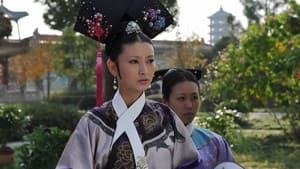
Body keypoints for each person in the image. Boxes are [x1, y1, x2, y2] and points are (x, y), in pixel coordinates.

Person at [56, 21, 207, 169]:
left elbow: (191, 164)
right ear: (113, 67)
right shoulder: (93, 124)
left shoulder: (167, 118)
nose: (144, 70)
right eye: (134, 61)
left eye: (150, 61)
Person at [161, 68, 236, 169]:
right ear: (165, 103)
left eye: (194, 98)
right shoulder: (149, 143)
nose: (189, 105)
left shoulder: (214, 143)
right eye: (181, 98)